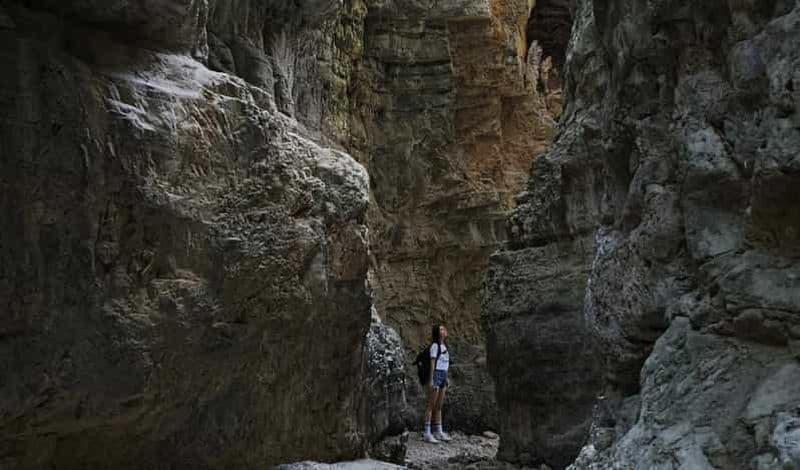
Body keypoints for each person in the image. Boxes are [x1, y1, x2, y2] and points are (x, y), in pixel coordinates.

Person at [423, 323, 452, 443]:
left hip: (443, 375)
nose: (444, 330)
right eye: (441, 329)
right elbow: (432, 364)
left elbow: (445, 363)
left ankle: (439, 431)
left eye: (444, 328)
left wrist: (447, 377)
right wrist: (431, 379)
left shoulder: (444, 346)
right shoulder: (435, 346)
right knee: (431, 405)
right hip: (437, 375)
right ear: (437, 332)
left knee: (439, 406)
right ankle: (427, 432)